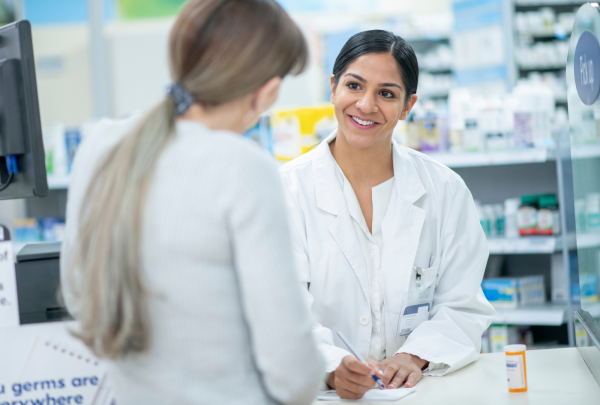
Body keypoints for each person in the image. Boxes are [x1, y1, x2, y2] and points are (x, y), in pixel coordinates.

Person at [60, 1, 324, 404]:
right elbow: (293, 372)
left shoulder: (101, 145)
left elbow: (78, 294)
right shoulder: (243, 168)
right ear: (267, 91)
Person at [280, 29, 496, 400]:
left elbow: (463, 305)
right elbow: (280, 313)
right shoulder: (286, 191)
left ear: (407, 106)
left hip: (419, 391)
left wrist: (414, 356)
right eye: (354, 86)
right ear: (333, 88)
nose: (365, 105)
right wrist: (331, 367)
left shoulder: (444, 190)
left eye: (386, 93)